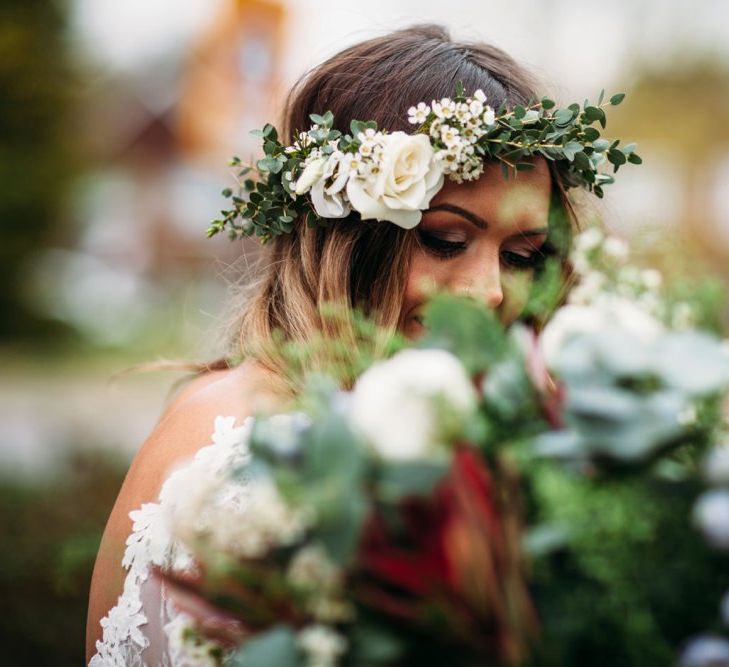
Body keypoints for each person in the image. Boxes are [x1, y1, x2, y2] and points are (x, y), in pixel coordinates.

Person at [86, 23, 580, 665]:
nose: (489, 292)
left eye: (522, 254)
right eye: (445, 240)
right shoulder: (224, 440)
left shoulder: (523, 433)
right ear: (347, 236)